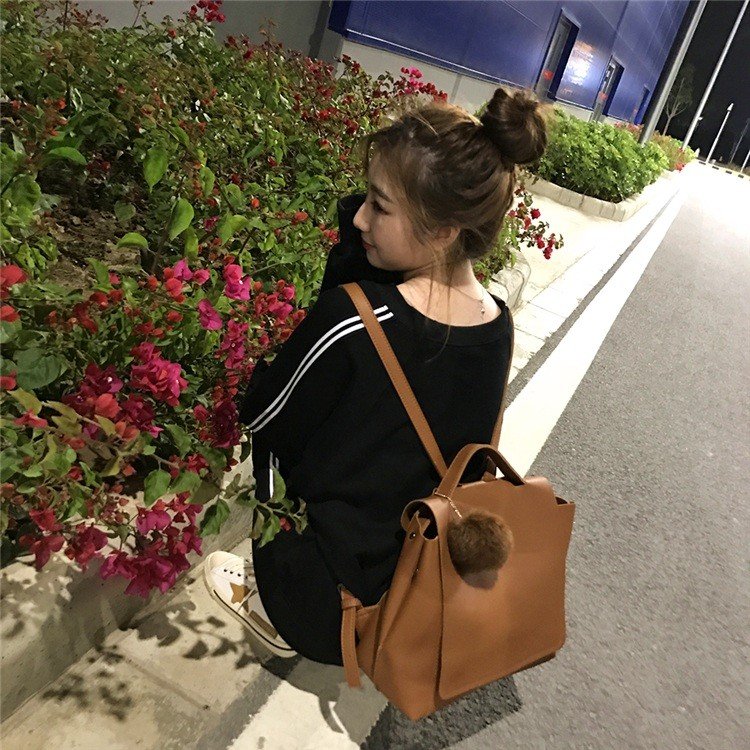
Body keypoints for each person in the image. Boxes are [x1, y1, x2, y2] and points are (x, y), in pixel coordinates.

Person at [202, 86, 549, 663]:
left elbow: (263, 415)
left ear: (443, 230)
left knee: (273, 432)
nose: (360, 216)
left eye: (380, 206)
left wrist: (337, 289)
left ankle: (278, 602)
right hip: (420, 586)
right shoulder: (499, 323)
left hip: (331, 609)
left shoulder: (355, 319)